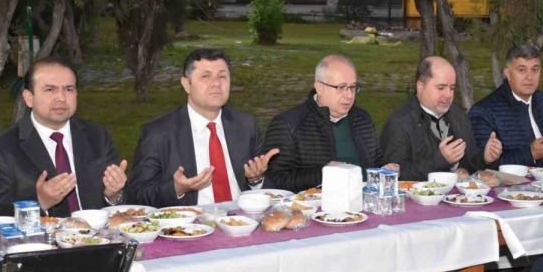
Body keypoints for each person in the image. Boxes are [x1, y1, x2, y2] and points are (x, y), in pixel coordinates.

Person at [0, 56, 128, 217]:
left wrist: (113, 195)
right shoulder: (0, 151)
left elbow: (128, 204)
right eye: (50, 89)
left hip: (100, 239)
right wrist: (40, 202)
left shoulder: (98, 137)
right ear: (29, 98)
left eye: (68, 89)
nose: (61, 98)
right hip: (40, 241)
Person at [130, 48, 278, 207]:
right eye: (206, 76)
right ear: (186, 84)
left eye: (222, 76)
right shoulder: (158, 133)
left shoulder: (246, 125)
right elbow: (139, 194)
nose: (216, 83)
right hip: (189, 225)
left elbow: (269, 190)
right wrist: (177, 189)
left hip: (242, 220)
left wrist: (256, 180)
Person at [263, 55, 397, 192]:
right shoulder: (288, 125)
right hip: (314, 208)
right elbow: (275, 180)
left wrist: (385, 169)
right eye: (341, 87)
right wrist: (324, 173)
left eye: (352, 87)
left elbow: (377, 161)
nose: (349, 95)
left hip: (363, 204)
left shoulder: (362, 119)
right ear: (319, 87)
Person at [380, 56, 503, 181]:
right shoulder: (399, 124)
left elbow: (470, 163)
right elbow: (396, 176)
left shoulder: (458, 115)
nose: (448, 95)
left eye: (452, 88)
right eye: (441, 88)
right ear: (420, 87)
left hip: (460, 197)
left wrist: (485, 158)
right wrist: (441, 160)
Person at [468, 45, 543, 166]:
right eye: (522, 70)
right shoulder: (484, 112)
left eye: (535, 69)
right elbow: (480, 164)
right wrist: (530, 154)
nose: (529, 77)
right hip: (511, 184)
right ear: (508, 74)